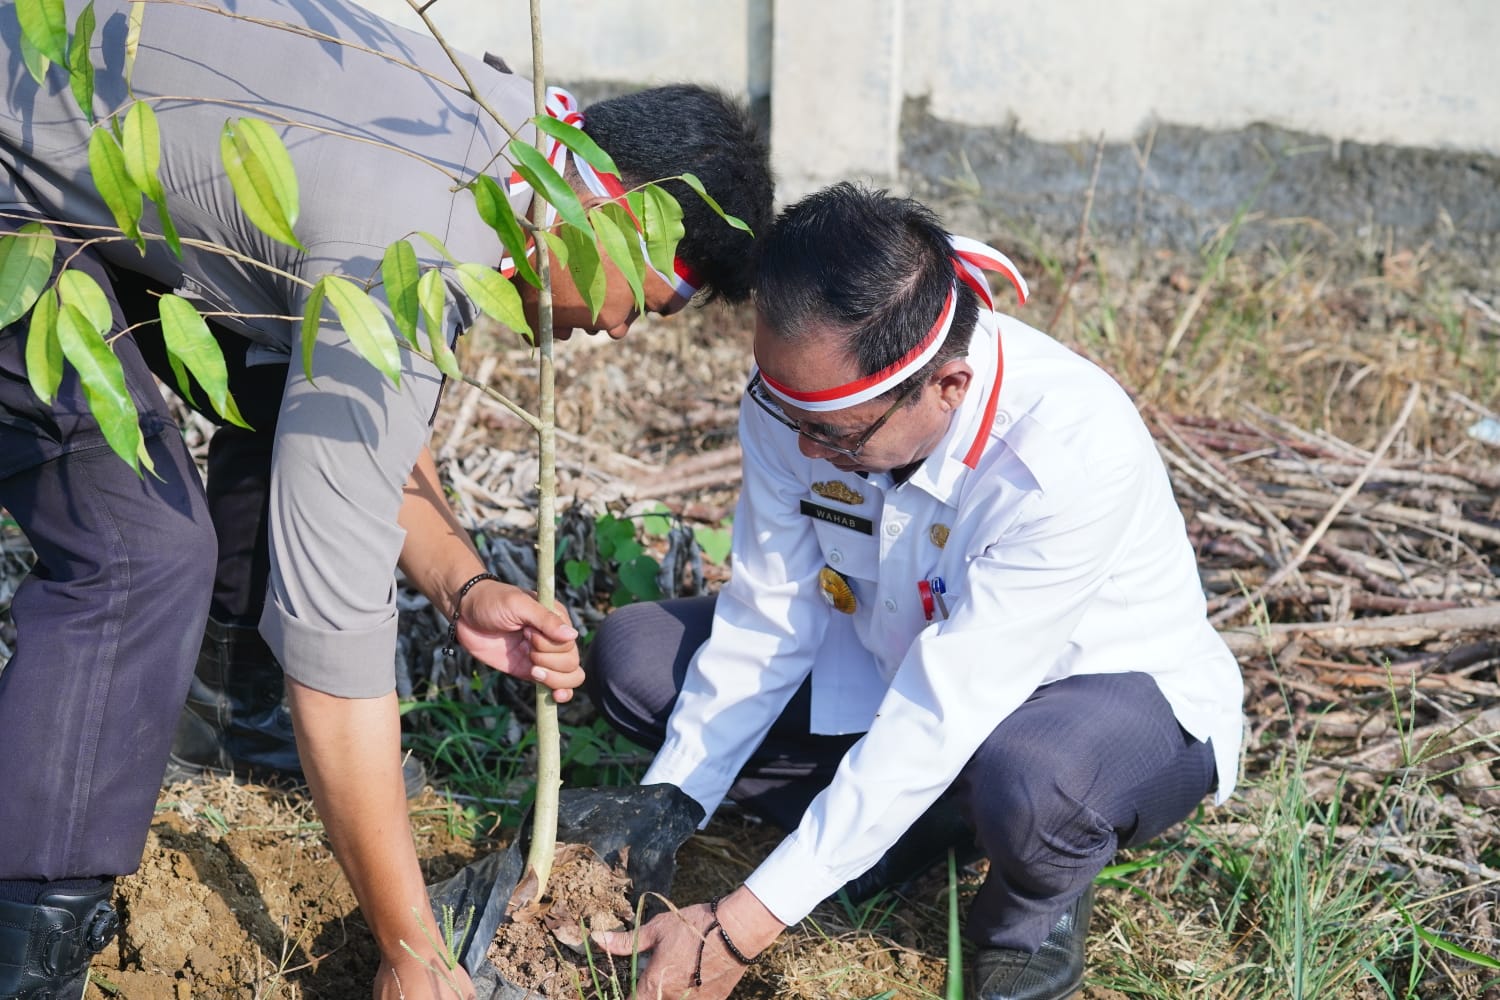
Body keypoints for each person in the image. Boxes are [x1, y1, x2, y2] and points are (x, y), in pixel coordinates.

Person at [0, 0, 773, 996]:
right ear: (619, 217)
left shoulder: (502, 120)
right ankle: (27, 930)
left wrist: (460, 585)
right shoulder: (418, 230)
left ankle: (221, 708)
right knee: (140, 550)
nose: (622, 334)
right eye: (655, 304)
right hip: (15, 185)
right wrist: (413, 949)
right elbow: (335, 634)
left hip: (80, 136)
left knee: (284, 379)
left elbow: (361, 431)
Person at [586, 183, 1244, 1000]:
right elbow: (769, 613)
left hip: (1089, 703)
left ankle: (1031, 906)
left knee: (1033, 784)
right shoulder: (806, 400)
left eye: (833, 432)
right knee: (636, 661)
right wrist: (670, 805)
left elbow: (947, 707)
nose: (802, 446)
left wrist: (743, 923)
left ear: (950, 387)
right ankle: (917, 823)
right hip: (889, 657)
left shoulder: (1067, 452)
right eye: (781, 407)